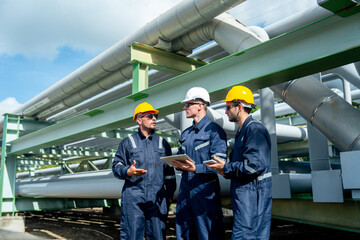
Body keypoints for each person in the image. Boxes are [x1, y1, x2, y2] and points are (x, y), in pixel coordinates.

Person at [206, 86, 272, 240]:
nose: (226, 111)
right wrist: (225, 170)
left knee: (246, 236)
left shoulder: (254, 129)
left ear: (240, 107)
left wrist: (226, 167)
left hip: (253, 197)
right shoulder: (242, 131)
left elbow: (253, 165)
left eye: (228, 107)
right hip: (246, 197)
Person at [112, 102, 176, 240]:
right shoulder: (128, 142)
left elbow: (169, 173)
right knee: (132, 235)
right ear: (139, 120)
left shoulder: (162, 143)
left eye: (155, 116)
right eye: (150, 116)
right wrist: (127, 171)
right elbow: (116, 166)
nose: (154, 119)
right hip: (134, 198)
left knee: (158, 235)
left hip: (156, 198)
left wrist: (168, 195)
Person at [172, 87, 227, 240]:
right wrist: (176, 162)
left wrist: (197, 168)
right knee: (183, 231)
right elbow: (181, 155)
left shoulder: (214, 131)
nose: (184, 108)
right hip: (185, 191)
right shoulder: (186, 133)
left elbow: (220, 163)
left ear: (200, 105)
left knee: (208, 233)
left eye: (188, 104)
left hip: (205, 192)